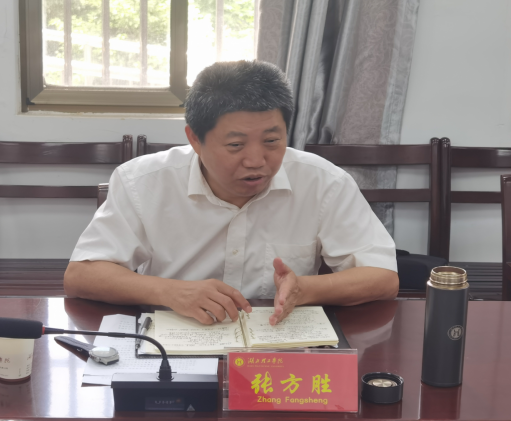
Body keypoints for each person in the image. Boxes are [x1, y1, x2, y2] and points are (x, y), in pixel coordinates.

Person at [64, 60, 398, 326]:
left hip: (277, 342)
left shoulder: (324, 182)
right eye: (236, 145)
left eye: (272, 141)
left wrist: (305, 289)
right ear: (195, 139)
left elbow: (382, 277)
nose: (256, 161)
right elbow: (81, 275)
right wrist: (170, 292)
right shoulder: (142, 181)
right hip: (176, 338)